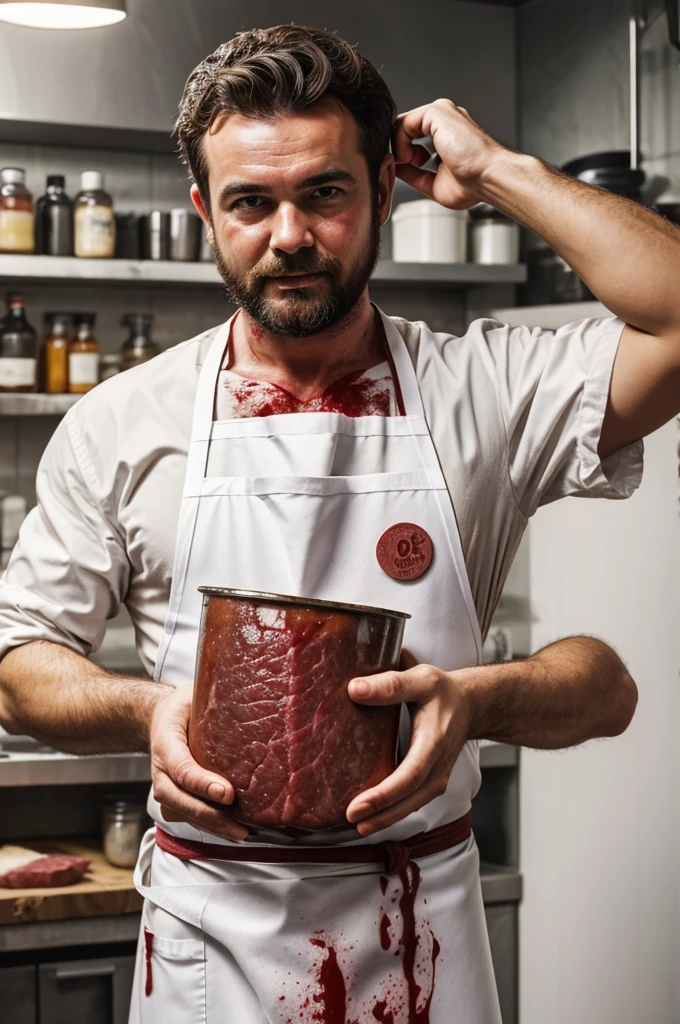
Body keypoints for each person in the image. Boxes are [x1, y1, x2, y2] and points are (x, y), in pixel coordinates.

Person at [2, 20, 673, 1023]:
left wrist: (492, 167)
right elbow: (19, 664)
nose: (289, 236)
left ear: (382, 193)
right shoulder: (122, 422)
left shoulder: (481, 387)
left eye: (323, 192)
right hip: (207, 942)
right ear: (203, 212)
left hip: (422, 929)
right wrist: (151, 711)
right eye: (250, 203)